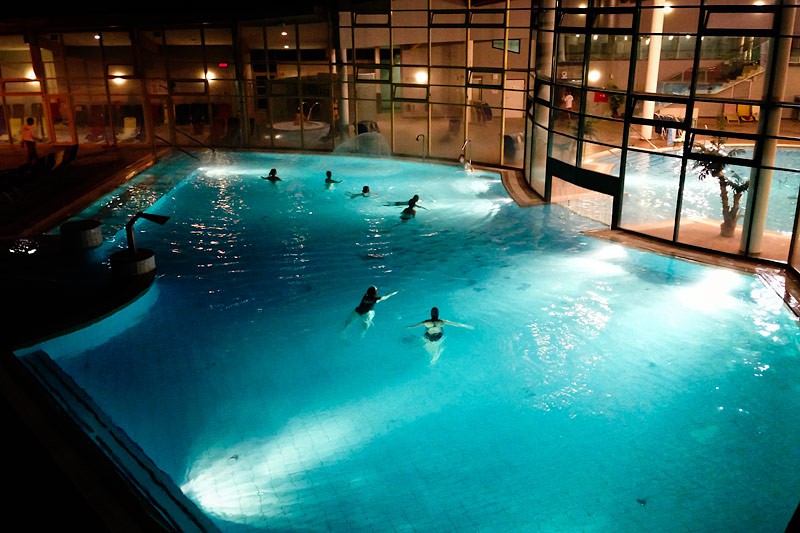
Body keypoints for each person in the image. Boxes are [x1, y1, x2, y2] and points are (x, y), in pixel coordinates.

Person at [407, 306, 473, 364]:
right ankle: (434, 357)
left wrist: (407, 327)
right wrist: (466, 326)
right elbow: (455, 324)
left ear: (431, 314)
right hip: (437, 336)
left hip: (428, 335)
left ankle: (431, 355)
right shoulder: (441, 321)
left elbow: (414, 326)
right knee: (437, 346)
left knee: (427, 343)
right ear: (438, 314)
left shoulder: (426, 322)